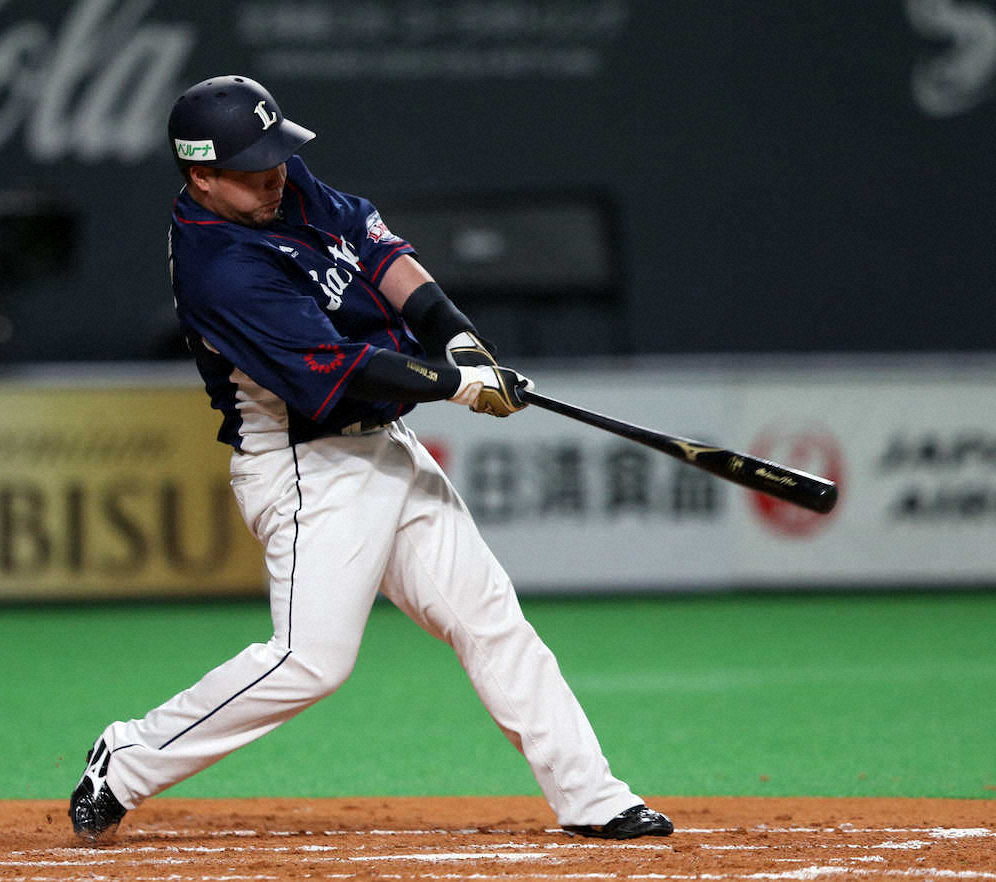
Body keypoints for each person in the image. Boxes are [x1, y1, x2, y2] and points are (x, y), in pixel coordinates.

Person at [68, 75, 673, 843]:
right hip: (305, 464)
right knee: (310, 661)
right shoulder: (219, 269)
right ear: (201, 176)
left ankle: (593, 796)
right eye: (252, 169)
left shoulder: (275, 185)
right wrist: (458, 385)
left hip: (385, 444)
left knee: (489, 618)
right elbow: (340, 372)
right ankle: (127, 759)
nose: (274, 176)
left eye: (275, 158)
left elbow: (375, 246)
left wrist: (456, 335)